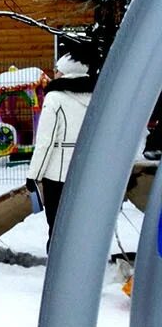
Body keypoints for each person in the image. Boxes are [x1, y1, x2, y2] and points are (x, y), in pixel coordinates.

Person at [26, 54, 96, 238]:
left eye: (56, 69)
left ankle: (57, 263)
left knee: (57, 225)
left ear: (63, 72)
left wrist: (34, 175)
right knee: (80, 222)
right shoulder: (95, 97)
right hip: (86, 170)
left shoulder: (54, 98)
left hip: (57, 174)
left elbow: (45, 142)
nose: (54, 72)